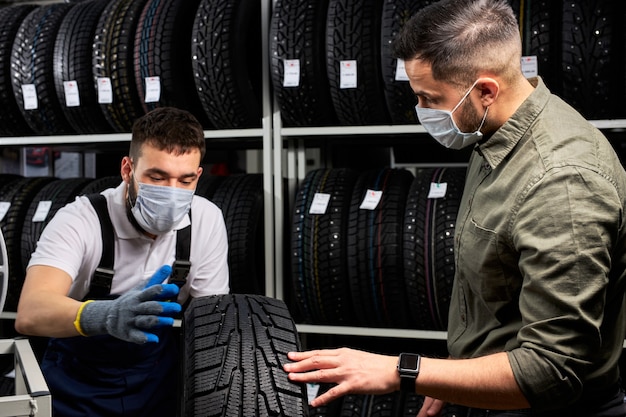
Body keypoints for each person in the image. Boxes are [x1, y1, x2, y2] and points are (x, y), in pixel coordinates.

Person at [283, 0, 626, 416]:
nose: (422, 112)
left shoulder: (562, 184)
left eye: (429, 98)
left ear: (485, 90)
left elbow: (550, 370)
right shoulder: (497, 131)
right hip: (501, 396)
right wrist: (459, 376)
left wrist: (405, 371)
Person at [15, 106, 230, 416]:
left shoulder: (206, 220)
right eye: (157, 177)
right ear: (128, 169)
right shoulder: (80, 220)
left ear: (198, 175)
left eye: (184, 181)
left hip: (158, 389)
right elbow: (31, 312)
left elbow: (212, 322)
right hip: (76, 393)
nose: (171, 194)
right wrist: (104, 315)